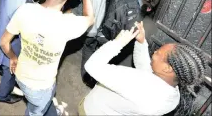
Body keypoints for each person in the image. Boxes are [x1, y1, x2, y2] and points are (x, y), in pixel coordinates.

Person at [1, 0, 95, 116]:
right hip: (41, 86)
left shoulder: (25, 10)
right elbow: (90, 18)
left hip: (20, 75)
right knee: (36, 111)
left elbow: (4, 42)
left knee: (40, 103)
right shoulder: (68, 24)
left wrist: (13, 58)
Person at [79, 21, 207, 116]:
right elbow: (146, 70)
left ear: (167, 68)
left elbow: (92, 66)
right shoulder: (172, 93)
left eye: (159, 54)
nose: (155, 52)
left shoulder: (138, 84)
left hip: (92, 111)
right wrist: (141, 42)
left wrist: (117, 43)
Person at [72, 0, 142, 86]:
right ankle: (101, 81)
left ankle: (88, 80)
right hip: (116, 29)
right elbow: (137, 5)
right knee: (109, 53)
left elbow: (85, 4)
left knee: (88, 50)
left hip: (92, 27)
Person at [0, 0, 51, 104]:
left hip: (2, 36)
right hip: (11, 47)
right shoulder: (24, 2)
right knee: (10, 73)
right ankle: (3, 95)